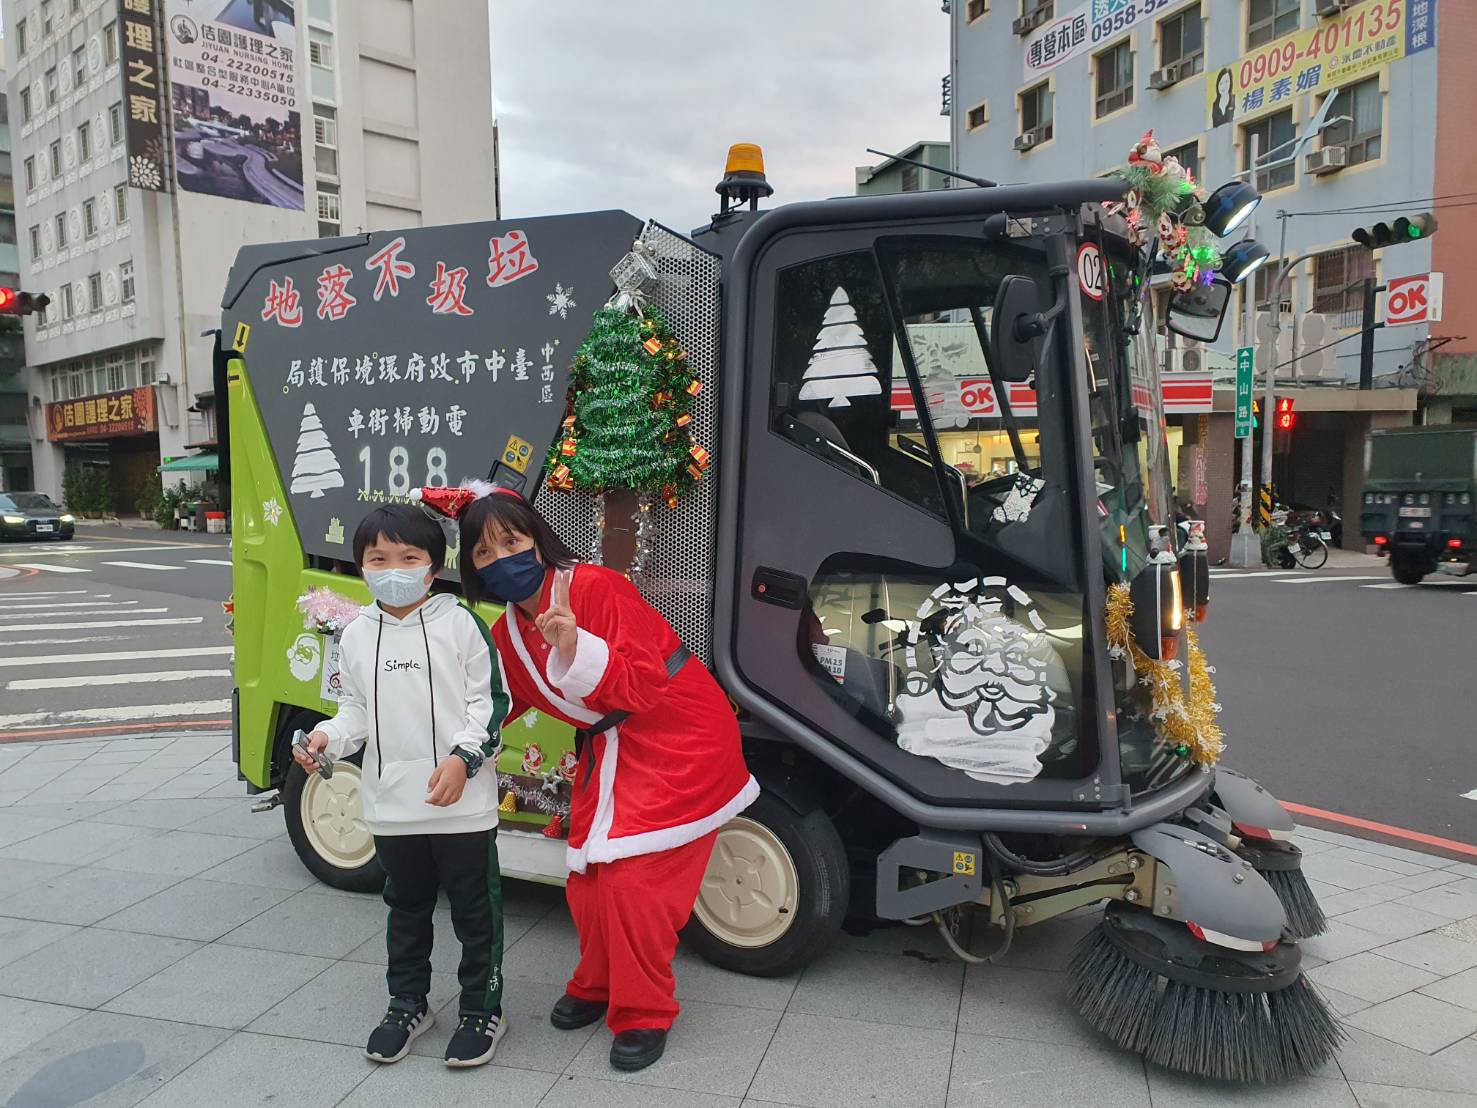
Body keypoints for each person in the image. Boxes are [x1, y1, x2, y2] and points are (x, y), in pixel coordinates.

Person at [416, 481, 757, 1073]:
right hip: (616, 746)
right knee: (587, 876)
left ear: (538, 541)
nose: (502, 559)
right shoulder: (505, 635)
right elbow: (493, 704)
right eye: (483, 552)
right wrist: (445, 747)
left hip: (680, 734)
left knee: (635, 883)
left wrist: (575, 646)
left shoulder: (596, 587)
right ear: (471, 568)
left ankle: (645, 1011)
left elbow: (646, 684)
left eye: (512, 541)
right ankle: (598, 982)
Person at [294, 504, 510, 1068]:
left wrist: (465, 759)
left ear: (433, 567)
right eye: (378, 558)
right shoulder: (356, 634)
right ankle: (408, 1003)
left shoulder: (461, 623)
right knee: (406, 908)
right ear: (362, 568)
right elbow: (353, 711)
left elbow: (491, 705)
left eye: (409, 557)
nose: (394, 569)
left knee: (473, 910)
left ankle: (482, 1007)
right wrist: (325, 738)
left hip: (463, 805)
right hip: (392, 806)